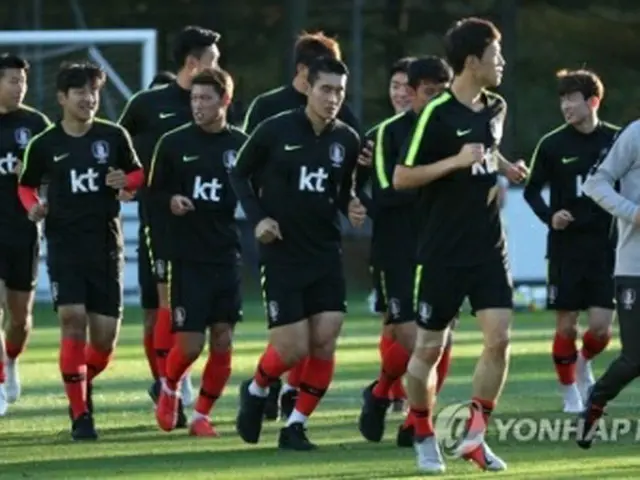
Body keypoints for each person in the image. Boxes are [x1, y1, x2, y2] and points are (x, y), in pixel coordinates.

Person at [393, 18, 528, 473]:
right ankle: (424, 432)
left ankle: (474, 437)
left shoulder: (497, 106)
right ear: (473, 61)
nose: (502, 63)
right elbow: (402, 176)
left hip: (489, 245)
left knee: (500, 339)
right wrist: (455, 161)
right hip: (441, 251)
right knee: (428, 349)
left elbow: (484, 148)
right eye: (496, 55)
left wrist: (504, 167)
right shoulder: (435, 112)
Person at [230, 56, 365, 450]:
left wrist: (351, 205)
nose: (333, 98)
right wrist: (258, 218)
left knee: (326, 337)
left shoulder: (346, 139)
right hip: (283, 253)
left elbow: (339, 191)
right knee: (292, 348)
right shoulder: (275, 130)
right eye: (326, 89)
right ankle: (255, 388)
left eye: (339, 91)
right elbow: (239, 173)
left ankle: (296, 424)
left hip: (324, 251)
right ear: (307, 86)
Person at [17, 61, 144, 440]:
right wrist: (33, 206)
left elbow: (137, 174)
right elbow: (26, 186)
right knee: (72, 320)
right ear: (62, 98)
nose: (89, 99)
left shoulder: (114, 135)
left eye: (93, 92)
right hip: (64, 246)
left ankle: (81, 385)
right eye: (80, 93)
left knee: (103, 342)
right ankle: (80, 417)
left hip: (105, 247)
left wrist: (127, 181)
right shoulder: (45, 144)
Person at [118, 25, 221, 422]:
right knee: (158, 307)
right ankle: (169, 386)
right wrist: (125, 180)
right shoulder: (148, 105)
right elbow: (116, 146)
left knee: (203, 316)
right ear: (193, 62)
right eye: (212, 60)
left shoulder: (216, 101)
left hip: (208, 228)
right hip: (158, 221)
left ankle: (176, 383)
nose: (217, 67)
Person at [357, 55, 454, 448]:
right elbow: (383, 193)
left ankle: (412, 415)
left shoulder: (451, 130)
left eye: (439, 93)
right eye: (425, 92)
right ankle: (388, 395)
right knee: (413, 337)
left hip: (442, 245)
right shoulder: (384, 134)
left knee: (441, 337)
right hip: (396, 249)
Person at [147, 67, 246, 436]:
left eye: (206, 98)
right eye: (194, 98)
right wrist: (170, 199)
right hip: (186, 256)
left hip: (225, 254)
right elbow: (152, 193)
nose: (198, 105)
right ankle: (169, 387)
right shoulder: (173, 144)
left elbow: (259, 190)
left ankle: (202, 415)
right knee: (189, 344)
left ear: (225, 101)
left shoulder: (241, 145)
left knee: (223, 339)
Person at [523, 69, 618, 413]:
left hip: (606, 247)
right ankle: (568, 394)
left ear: (592, 102)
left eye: (572, 99)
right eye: (562, 99)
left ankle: (583, 362)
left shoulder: (618, 141)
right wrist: (550, 216)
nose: (565, 106)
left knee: (601, 329)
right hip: (565, 248)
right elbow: (531, 191)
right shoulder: (552, 144)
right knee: (566, 324)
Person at [578, 120, 640, 449]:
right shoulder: (636, 134)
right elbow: (595, 184)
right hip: (635, 266)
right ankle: (595, 402)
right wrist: (633, 213)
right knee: (636, 357)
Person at [0, 53, 50, 415]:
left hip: (22, 229)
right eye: (12, 80)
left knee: (19, 318)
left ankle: (12, 360)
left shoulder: (36, 124)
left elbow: (57, 170)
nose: (20, 87)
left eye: (23, 81)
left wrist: (37, 186)